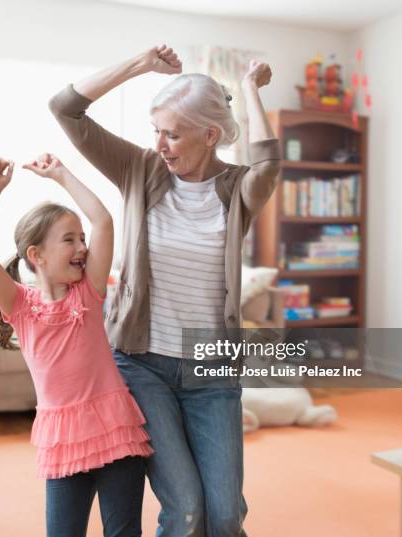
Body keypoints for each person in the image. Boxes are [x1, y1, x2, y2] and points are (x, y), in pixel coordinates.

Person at [49, 45, 281, 536]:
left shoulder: (238, 190)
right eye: (157, 131)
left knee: (224, 516)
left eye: (173, 134)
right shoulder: (141, 170)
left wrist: (249, 91)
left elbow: (268, 165)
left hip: (213, 371)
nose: (161, 144)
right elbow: (65, 108)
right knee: (186, 511)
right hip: (141, 365)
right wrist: (137, 65)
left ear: (210, 135)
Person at [0, 153, 153, 537]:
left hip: (116, 431)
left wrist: (61, 175)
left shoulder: (87, 293)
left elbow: (103, 221)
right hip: (63, 441)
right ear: (36, 256)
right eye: (69, 240)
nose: (82, 247)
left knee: (124, 533)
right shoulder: (20, 306)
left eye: (81, 239)